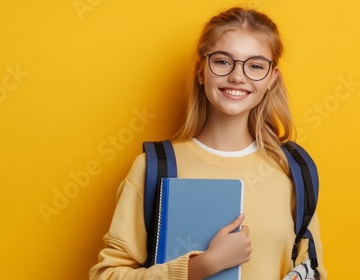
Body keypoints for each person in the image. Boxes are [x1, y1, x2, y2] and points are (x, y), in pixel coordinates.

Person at [89, 7, 326, 280]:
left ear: (271, 79)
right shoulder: (156, 168)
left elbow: (314, 271)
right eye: (223, 61)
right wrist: (202, 267)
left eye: (256, 66)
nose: (238, 76)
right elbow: (106, 275)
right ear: (202, 71)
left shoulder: (293, 170)